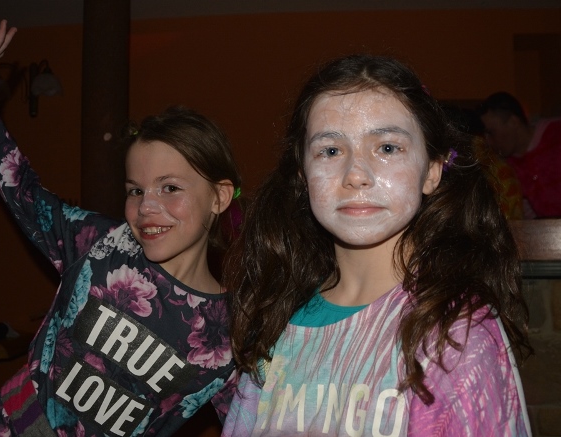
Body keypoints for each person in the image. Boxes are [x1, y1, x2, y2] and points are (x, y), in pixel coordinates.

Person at [222, 54, 532, 436]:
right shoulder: (278, 316)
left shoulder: (455, 334)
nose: (356, 175)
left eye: (387, 148)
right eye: (330, 150)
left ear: (432, 171)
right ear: (303, 176)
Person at [0, 20, 241, 436]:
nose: (146, 207)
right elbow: (18, 185)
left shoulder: (229, 336)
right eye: (135, 190)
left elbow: (256, 423)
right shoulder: (103, 244)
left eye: (169, 187)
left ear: (219, 197)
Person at [478, 91, 561, 218]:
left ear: (513, 122)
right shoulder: (504, 167)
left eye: (491, 132)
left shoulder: (555, 132)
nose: (488, 141)